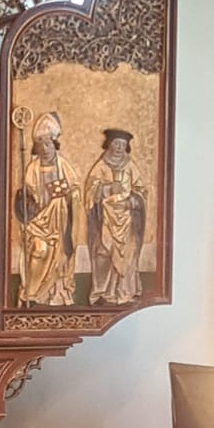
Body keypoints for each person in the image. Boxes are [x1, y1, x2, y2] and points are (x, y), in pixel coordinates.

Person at [15, 111, 81, 307]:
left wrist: (69, 196)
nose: (45, 149)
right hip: (39, 222)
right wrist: (29, 200)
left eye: (48, 144)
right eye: (41, 144)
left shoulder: (63, 166)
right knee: (39, 250)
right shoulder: (32, 168)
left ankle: (55, 293)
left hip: (59, 223)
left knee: (58, 257)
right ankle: (30, 292)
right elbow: (27, 195)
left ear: (55, 145)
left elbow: (75, 191)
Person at [84, 129, 147, 306]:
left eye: (123, 144)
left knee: (128, 252)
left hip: (126, 219)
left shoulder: (131, 167)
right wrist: (106, 189)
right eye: (116, 143)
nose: (120, 147)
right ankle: (102, 293)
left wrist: (131, 202)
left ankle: (125, 292)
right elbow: (90, 191)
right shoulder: (101, 167)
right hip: (105, 220)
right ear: (109, 144)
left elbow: (141, 192)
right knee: (103, 253)